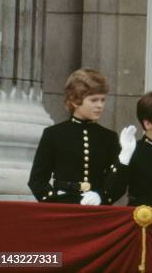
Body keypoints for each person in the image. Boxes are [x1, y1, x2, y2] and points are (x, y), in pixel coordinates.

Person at [28, 68, 120, 205]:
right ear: (75, 100)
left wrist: (101, 196)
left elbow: (116, 180)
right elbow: (37, 180)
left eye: (102, 100)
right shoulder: (54, 134)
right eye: (94, 100)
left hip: (97, 210)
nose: (100, 105)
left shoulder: (109, 137)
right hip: (62, 209)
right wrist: (56, 198)